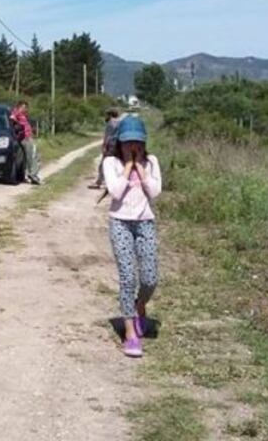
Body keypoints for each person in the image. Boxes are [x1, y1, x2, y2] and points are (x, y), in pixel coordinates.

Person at [101, 115, 162, 358]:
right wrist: (128, 166)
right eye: (127, 142)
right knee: (128, 277)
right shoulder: (110, 163)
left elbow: (155, 192)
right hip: (120, 223)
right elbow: (115, 192)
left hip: (145, 222)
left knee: (149, 278)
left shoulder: (152, 162)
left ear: (144, 142)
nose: (132, 146)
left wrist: (141, 169)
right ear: (119, 143)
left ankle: (140, 305)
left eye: (136, 142)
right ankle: (130, 333)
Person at [89, 108, 121, 189]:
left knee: (103, 164)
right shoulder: (120, 122)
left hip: (111, 146)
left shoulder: (110, 123)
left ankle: (100, 182)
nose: (105, 117)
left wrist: (104, 146)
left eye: (106, 115)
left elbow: (108, 137)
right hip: (119, 145)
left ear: (110, 115)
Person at [10, 100, 41, 185]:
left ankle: (23, 175)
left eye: (26, 108)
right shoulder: (16, 112)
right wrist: (17, 126)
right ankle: (33, 175)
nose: (25, 109)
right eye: (24, 107)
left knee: (23, 158)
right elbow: (12, 120)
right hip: (25, 138)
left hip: (25, 137)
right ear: (20, 107)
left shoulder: (23, 115)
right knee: (33, 155)